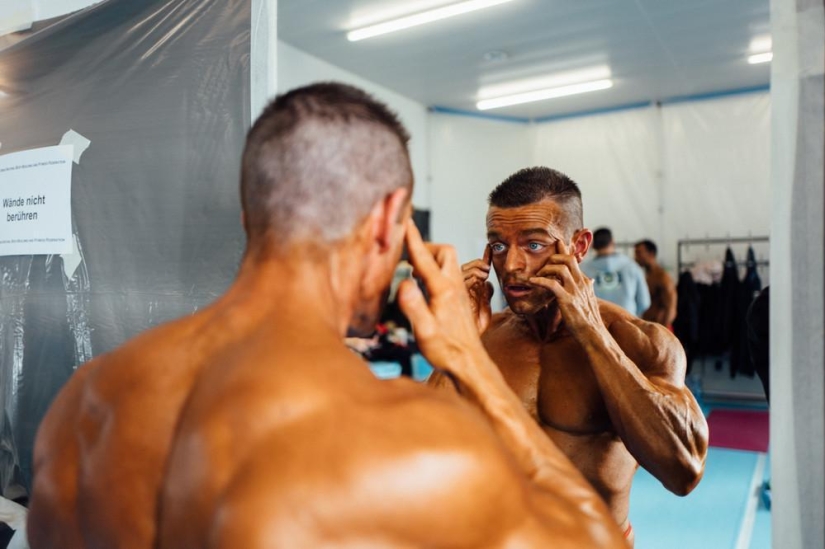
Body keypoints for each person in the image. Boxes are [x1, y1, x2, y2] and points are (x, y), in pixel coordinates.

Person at [28, 84, 625, 548]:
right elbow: (590, 538)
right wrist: (470, 357)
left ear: (252, 215)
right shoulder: (400, 438)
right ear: (389, 222)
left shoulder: (86, 401)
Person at [443, 167, 709, 546]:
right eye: (499, 246)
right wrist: (459, 344)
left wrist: (592, 334)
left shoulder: (638, 342)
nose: (512, 265)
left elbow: (683, 469)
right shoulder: (485, 337)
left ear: (579, 246)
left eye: (533, 245)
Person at [581, 227, 650, 317]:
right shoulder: (632, 266)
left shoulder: (583, 269)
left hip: (597, 323)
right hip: (628, 322)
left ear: (593, 244)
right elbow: (644, 302)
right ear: (612, 241)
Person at [634, 239, 678, 328]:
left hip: (660, 329)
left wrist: (662, 330)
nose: (635, 257)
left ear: (651, 253)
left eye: (639, 253)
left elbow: (671, 308)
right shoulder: (647, 276)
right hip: (649, 326)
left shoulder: (662, 277)